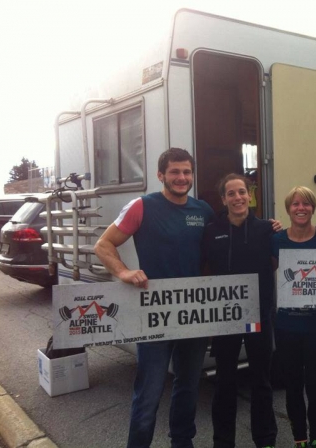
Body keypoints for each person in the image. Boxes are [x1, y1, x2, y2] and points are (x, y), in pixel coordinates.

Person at [94, 147, 214, 448]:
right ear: (161, 175)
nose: (181, 177)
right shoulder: (141, 206)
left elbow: (223, 244)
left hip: (193, 314)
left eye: (186, 172)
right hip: (153, 314)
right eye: (174, 172)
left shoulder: (203, 211)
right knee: (148, 392)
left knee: (188, 387)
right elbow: (104, 245)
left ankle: (182, 442)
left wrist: (269, 229)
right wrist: (123, 272)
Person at [203, 173, 278, 448]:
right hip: (226, 318)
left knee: (261, 381)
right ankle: (223, 441)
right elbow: (202, 269)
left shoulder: (267, 229)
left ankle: (265, 439)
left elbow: (279, 261)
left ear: (250, 195)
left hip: (259, 315)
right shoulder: (211, 232)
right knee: (224, 381)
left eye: (242, 192)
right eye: (231, 193)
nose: (238, 198)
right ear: (223, 199)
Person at [272, 187, 316, 448]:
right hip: (286, 326)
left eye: (306, 204)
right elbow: (264, 271)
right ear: (288, 209)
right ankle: (299, 439)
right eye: (295, 204)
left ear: (313, 208)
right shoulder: (276, 240)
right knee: (293, 388)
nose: (301, 208)